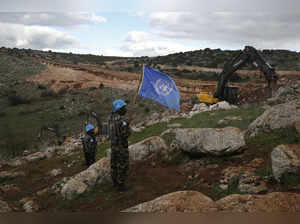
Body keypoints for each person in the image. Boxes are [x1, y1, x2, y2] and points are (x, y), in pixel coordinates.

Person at [109, 99, 131, 191]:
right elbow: (126, 134)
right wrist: (127, 125)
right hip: (121, 147)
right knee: (123, 165)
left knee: (114, 165)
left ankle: (114, 183)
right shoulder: (122, 121)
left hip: (113, 146)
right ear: (119, 109)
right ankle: (121, 185)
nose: (125, 109)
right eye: (123, 107)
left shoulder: (110, 118)